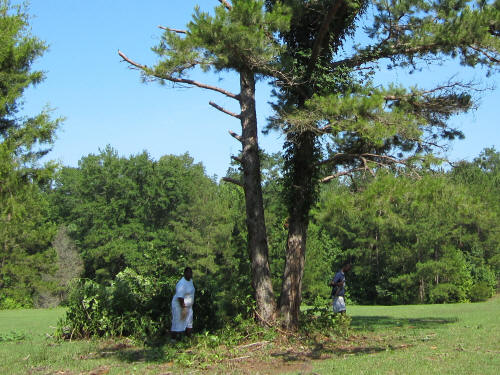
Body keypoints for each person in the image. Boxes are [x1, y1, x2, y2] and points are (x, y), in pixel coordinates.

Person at [171, 267, 195, 341]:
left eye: (190, 273)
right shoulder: (181, 283)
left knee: (189, 323)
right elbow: (180, 297)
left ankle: (188, 340)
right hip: (180, 305)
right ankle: (173, 340)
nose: (189, 274)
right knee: (177, 322)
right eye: (188, 272)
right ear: (184, 273)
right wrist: (183, 307)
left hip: (188, 306)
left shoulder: (190, 281)